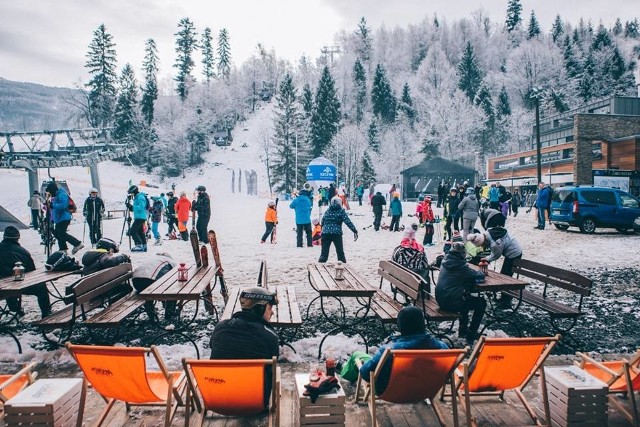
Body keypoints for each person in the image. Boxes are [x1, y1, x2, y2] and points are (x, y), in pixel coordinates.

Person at [209, 286, 279, 407]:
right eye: (270, 307)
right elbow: (273, 364)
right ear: (260, 308)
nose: (272, 312)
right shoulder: (269, 336)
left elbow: (213, 347)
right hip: (255, 402)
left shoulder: (220, 327)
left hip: (219, 398)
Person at [358, 306, 448, 395]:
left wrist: (361, 364)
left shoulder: (390, 351)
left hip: (391, 392)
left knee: (358, 356)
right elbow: (447, 373)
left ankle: (346, 375)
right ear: (422, 323)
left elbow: (365, 374)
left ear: (400, 326)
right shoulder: (442, 348)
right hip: (427, 389)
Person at [435, 241, 486, 344]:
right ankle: (471, 334)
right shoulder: (460, 266)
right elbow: (479, 275)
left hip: (441, 299)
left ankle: (463, 331)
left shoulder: (446, 260)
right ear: (462, 254)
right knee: (481, 303)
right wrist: (481, 271)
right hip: (451, 302)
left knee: (464, 297)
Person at [0, 226, 50, 317]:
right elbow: (32, 272)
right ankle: (46, 314)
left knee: (7, 283)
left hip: (2, 289)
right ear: (17, 238)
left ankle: (14, 307)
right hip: (18, 286)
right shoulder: (23, 252)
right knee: (41, 287)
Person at [131, 253, 177, 320]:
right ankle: (169, 313)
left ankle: (151, 315)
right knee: (172, 290)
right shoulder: (169, 261)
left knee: (146, 292)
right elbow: (175, 275)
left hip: (136, 281)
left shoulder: (152, 258)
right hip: (150, 281)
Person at [45, 181, 84, 255]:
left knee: (62, 234)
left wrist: (53, 205)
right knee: (58, 234)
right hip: (59, 218)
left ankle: (77, 243)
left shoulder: (62, 194)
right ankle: (63, 249)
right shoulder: (58, 195)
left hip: (64, 217)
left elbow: (63, 205)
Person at [318, 197, 358, 263]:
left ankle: (320, 267)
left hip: (325, 234)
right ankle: (343, 266)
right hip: (336, 234)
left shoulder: (328, 210)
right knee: (340, 252)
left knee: (324, 254)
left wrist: (323, 230)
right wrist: (354, 230)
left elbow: (322, 221)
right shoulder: (341, 211)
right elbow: (347, 221)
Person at [126, 185, 149, 252]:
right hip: (139, 217)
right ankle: (144, 246)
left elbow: (141, 207)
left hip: (140, 217)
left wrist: (132, 207)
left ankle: (139, 245)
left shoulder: (140, 197)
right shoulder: (137, 197)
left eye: (132, 193)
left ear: (134, 191)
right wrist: (131, 207)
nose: (131, 195)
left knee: (132, 231)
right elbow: (137, 208)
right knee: (140, 232)